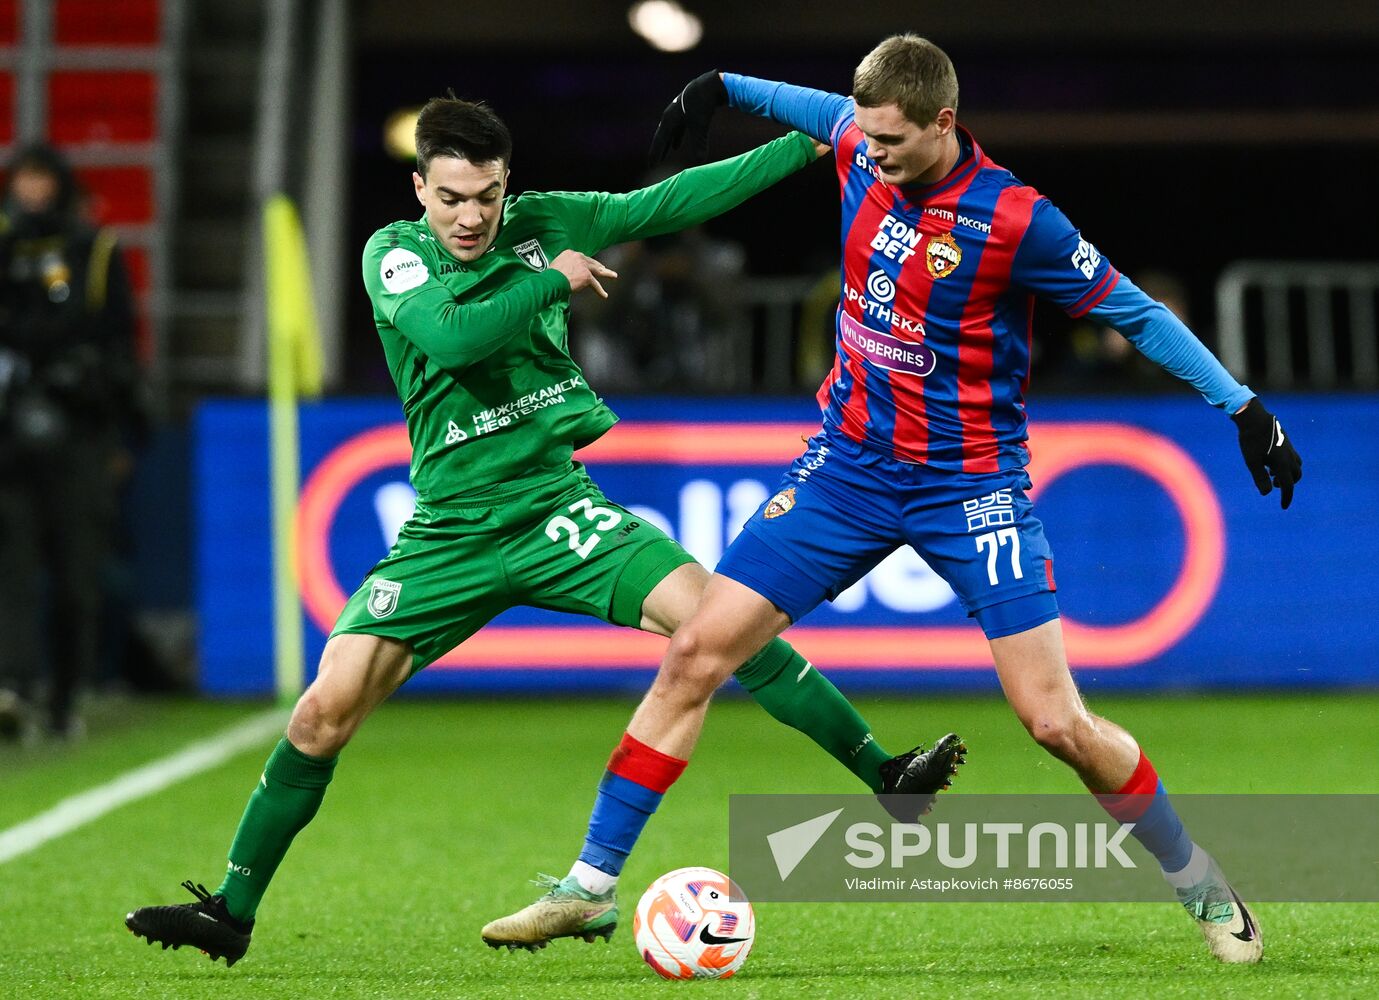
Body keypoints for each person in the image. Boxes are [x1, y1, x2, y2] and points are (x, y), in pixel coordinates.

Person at [500, 36, 1303, 965]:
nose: (866, 152)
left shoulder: (1014, 219)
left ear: (943, 124)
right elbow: (811, 107)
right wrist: (719, 84)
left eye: (888, 140)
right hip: (845, 472)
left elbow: (1134, 312)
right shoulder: (854, 135)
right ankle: (587, 886)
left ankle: (1198, 881)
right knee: (694, 652)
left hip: (971, 486)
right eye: (863, 134)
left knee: (1054, 723)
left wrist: (1241, 407)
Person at [123, 94, 966, 967]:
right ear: (419, 188)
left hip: (557, 507)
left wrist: (815, 138)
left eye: (484, 196)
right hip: (449, 531)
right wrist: (551, 279)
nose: (468, 216)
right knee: (323, 712)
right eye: (449, 196)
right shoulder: (394, 255)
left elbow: (676, 202)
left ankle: (884, 774)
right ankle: (232, 908)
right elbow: (452, 340)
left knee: (721, 626)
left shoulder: (547, 220)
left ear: (505, 185)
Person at [0, 144, 143, 741]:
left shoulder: (97, 252)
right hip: (10, 436)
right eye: (23, 179)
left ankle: (65, 695)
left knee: (77, 572)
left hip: (81, 431)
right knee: (12, 565)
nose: (33, 191)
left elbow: (120, 344)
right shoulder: (4, 251)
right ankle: (13, 688)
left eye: (42, 179)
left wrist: (120, 431)